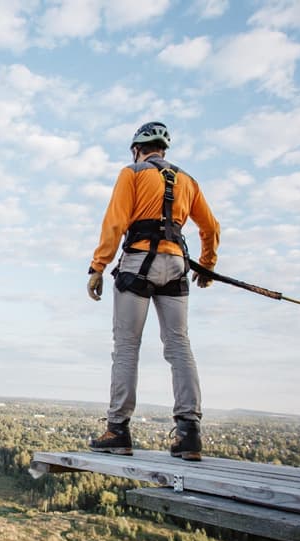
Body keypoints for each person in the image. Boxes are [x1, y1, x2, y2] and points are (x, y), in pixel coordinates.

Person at [86, 121, 220, 461]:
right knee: (179, 345)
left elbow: (115, 222)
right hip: (176, 265)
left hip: (138, 263)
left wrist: (98, 266)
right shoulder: (188, 181)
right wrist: (207, 265)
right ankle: (189, 432)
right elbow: (210, 227)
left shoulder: (131, 173)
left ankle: (118, 429)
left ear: (137, 150)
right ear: (163, 149)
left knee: (127, 347)